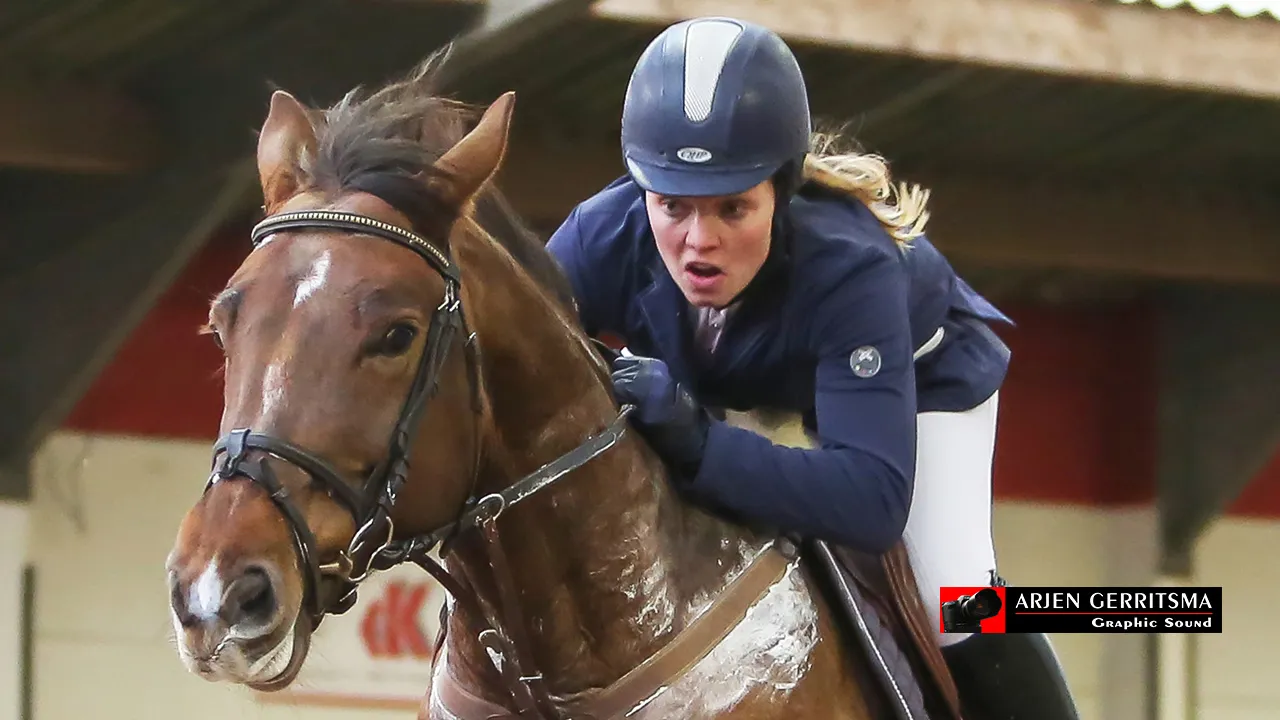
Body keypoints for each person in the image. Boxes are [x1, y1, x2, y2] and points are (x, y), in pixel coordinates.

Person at [544, 15, 1079, 720]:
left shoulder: (849, 268)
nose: (699, 241)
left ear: (782, 188)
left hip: (921, 379)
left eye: (734, 208)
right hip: (746, 380)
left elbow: (871, 504)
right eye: (673, 205)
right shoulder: (604, 232)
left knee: (956, 600)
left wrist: (698, 444)